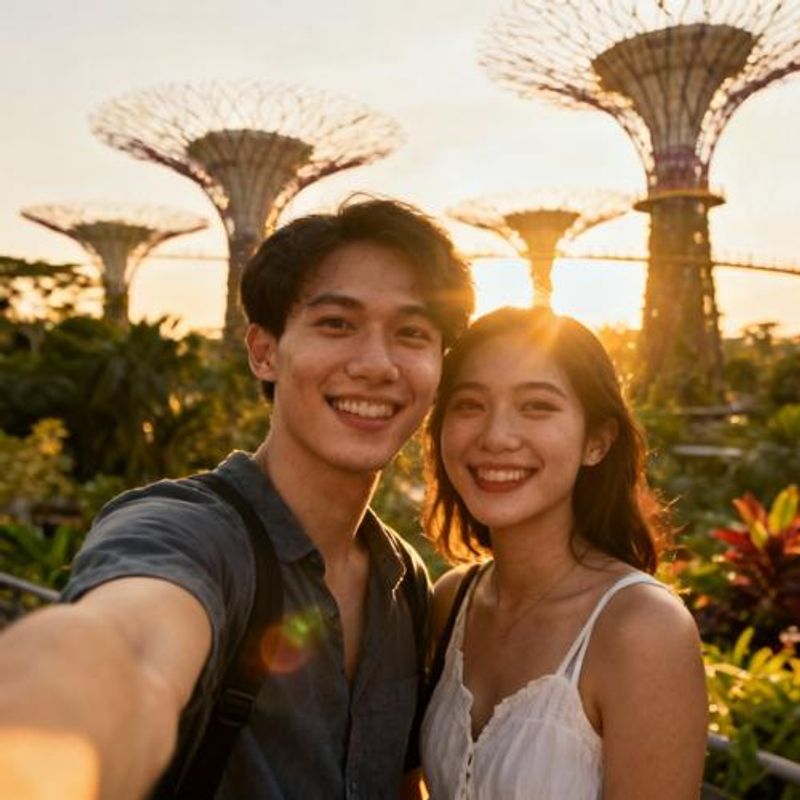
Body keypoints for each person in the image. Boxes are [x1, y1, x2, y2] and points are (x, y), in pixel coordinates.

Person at [0, 197, 474, 800]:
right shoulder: (190, 535)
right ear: (264, 351)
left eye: (412, 333)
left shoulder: (401, 580)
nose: (377, 365)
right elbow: (130, 647)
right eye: (336, 324)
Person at [419, 306, 708, 800]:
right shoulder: (451, 601)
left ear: (597, 440)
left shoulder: (642, 630)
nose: (496, 437)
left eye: (536, 406)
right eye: (469, 404)